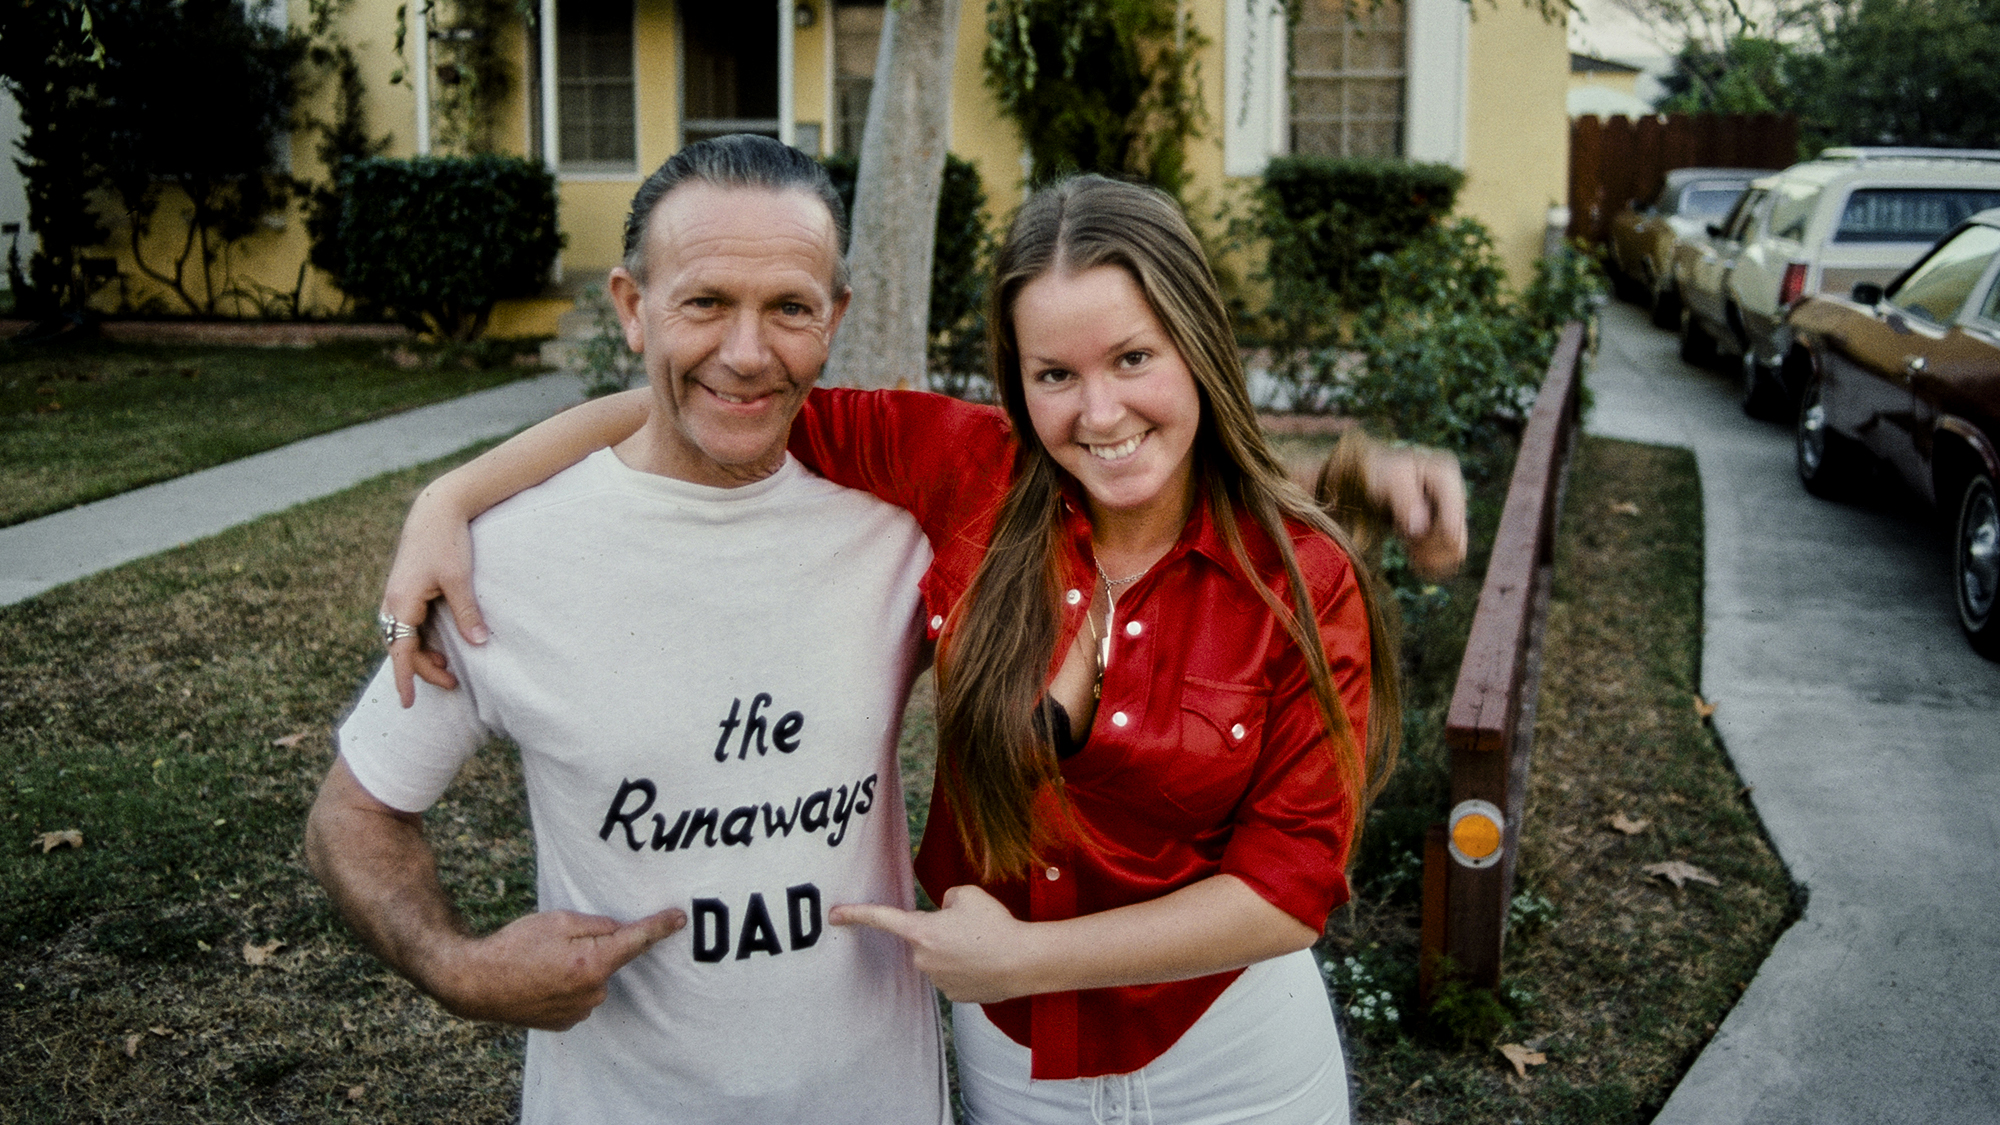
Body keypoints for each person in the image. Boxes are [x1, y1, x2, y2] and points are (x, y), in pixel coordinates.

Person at [379, 158, 1469, 1122]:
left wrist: (1025, 958)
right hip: (1011, 1067)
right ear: (1014, 379)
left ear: (1199, 347)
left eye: (1133, 357)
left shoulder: (1298, 579)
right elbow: (722, 398)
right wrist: (455, 494)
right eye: (1054, 374)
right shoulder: (967, 474)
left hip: (1229, 1059)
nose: (1096, 412)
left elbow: (1286, 890)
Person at [304, 135, 952, 1124]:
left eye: (788, 308)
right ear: (630, 307)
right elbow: (354, 812)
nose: (746, 352)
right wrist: (459, 967)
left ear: (835, 321)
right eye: (703, 303)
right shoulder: (499, 562)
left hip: (875, 1097)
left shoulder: (899, 530)